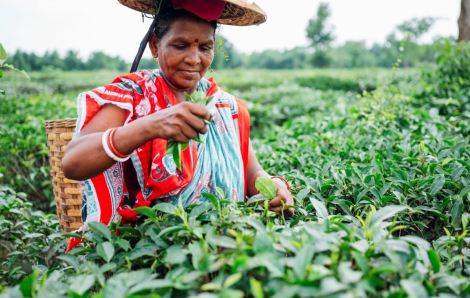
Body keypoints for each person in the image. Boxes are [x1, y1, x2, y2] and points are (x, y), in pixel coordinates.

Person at [62, 0, 294, 232]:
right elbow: (73, 164)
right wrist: (149, 126)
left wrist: (272, 187)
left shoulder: (224, 105)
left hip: (225, 243)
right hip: (152, 247)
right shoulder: (134, 96)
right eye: (180, 46)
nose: (194, 59)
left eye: (205, 48)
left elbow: (252, 171)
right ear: (155, 45)